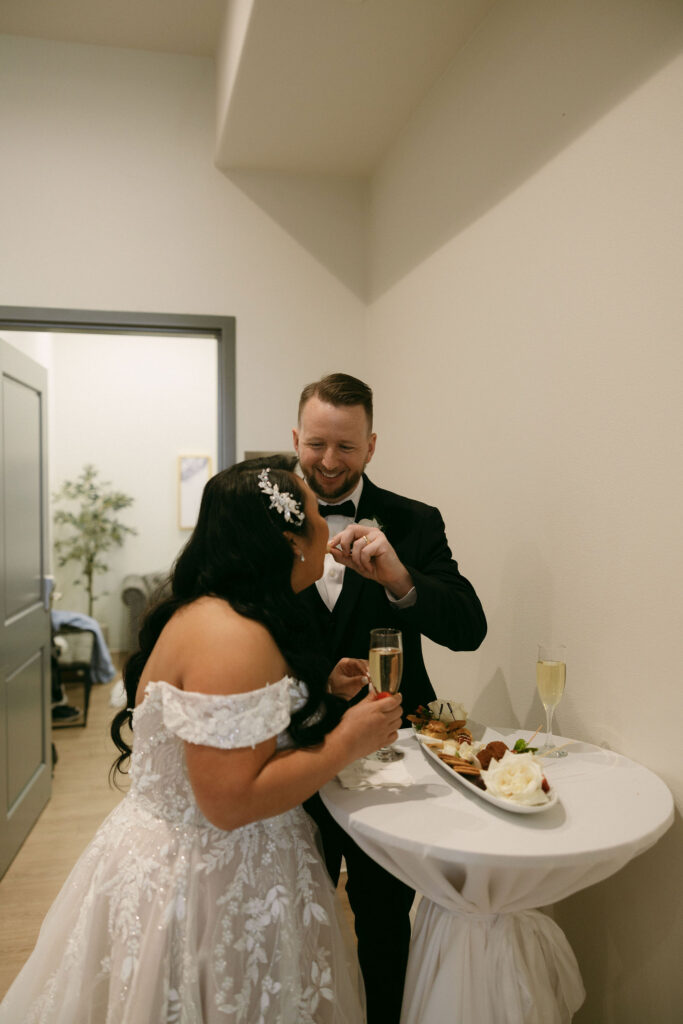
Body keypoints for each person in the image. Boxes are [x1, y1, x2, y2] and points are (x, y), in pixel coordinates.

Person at [0, 457, 403, 1024]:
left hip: (235, 862)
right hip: (201, 883)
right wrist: (347, 742)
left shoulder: (230, 612)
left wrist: (315, 687)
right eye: (315, 515)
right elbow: (229, 800)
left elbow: (242, 724)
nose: (327, 529)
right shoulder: (229, 637)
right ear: (290, 540)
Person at [293, 373, 487, 1024]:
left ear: (371, 446)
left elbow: (468, 628)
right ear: (296, 437)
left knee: (384, 923)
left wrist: (401, 576)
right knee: (298, 918)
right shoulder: (262, 521)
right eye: (316, 443)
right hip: (294, 749)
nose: (327, 461)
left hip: (397, 754)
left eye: (345, 447)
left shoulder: (414, 519)